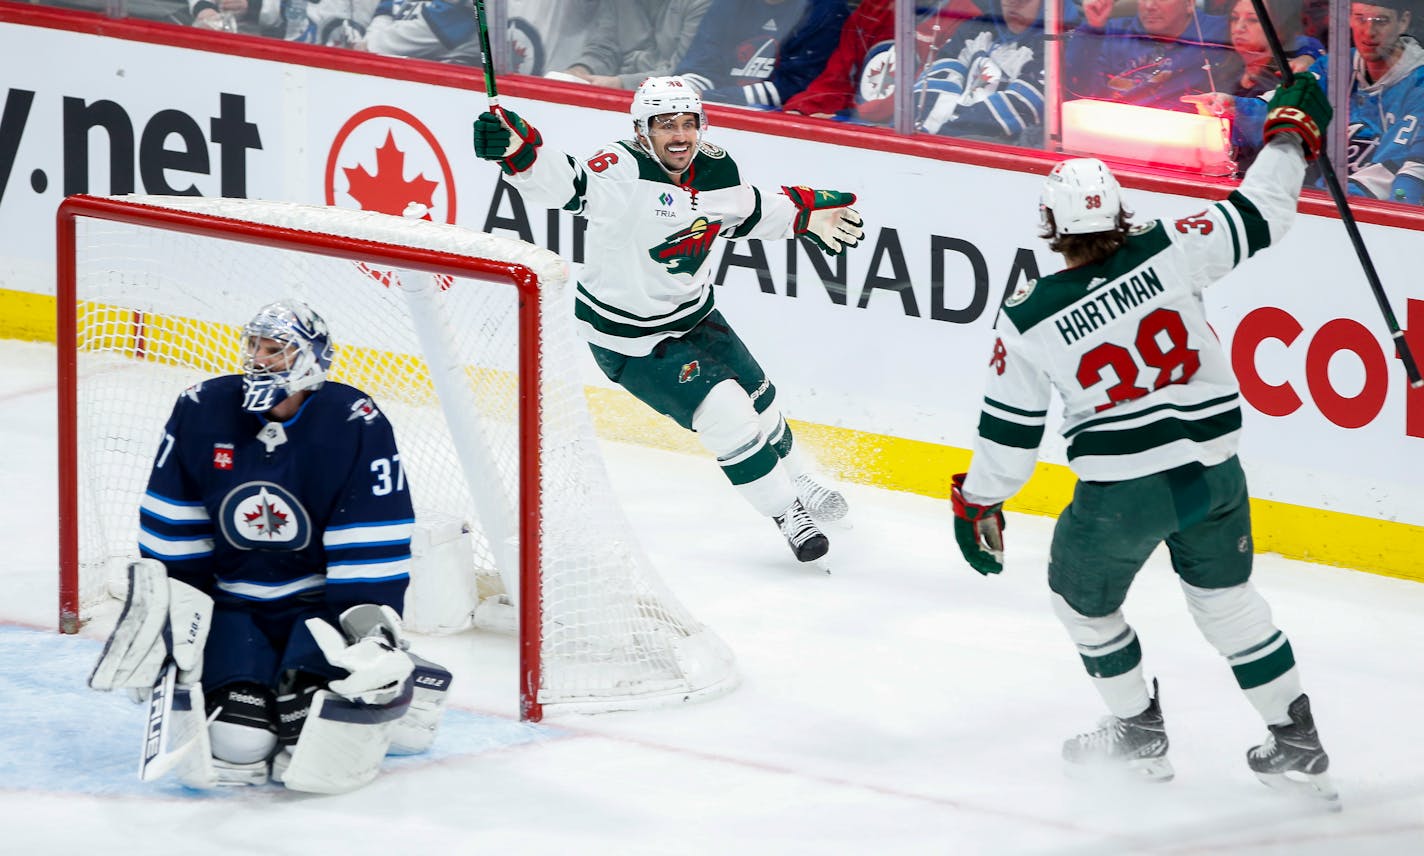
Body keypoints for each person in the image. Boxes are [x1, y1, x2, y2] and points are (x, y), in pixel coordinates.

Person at [950, 77, 1339, 804]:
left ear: (1051, 226)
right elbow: (1263, 211)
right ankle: (1295, 736)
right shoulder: (1172, 248)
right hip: (1216, 476)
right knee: (1228, 605)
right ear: (1120, 211)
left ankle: (1137, 733)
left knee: (1082, 603)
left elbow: (1010, 435)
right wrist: (1288, 136)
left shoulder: (1029, 315)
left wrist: (977, 502)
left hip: (1122, 494)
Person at [471, 77, 862, 565]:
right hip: (630, 339)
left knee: (761, 401)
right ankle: (787, 513)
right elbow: (568, 183)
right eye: (664, 125)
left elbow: (747, 211)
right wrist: (521, 155)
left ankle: (798, 477)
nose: (679, 136)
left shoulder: (716, 167)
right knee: (727, 414)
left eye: (687, 123)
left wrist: (803, 218)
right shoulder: (619, 170)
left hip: (696, 315)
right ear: (641, 131)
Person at [89, 300, 450, 793]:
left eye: (275, 350)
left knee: (311, 737)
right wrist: (173, 618)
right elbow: (173, 520)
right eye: (254, 346)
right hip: (234, 608)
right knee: (240, 745)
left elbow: (369, 534)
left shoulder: (353, 420)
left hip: (317, 613)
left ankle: (403, 681)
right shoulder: (202, 408)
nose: (259, 359)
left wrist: (370, 634)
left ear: (309, 360)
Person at [1180, 0, 1324, 173]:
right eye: (1234, 18)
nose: (1239, 27)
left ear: (1279, 28)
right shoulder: (1220, 71)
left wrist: (1310, 55)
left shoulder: (1288, 81)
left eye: (1253, 20)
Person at [781, 0, 983, 122]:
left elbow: (919, 102)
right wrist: (803, 110)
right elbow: (837, 77)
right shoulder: (874, 7)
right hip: (850, 124)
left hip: (898, 136)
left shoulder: (965, 16)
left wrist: (847, 118)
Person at [913, 0, 1081, 146]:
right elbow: (935, 82)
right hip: (944, 139)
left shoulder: (1059, 43)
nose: (1013, 5)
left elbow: (1021, 106)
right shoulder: (976, 28)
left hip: (995, 154)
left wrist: (946, 139)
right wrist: (922, 134)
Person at [1307, 0, 1424, 202]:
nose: (1369, 31)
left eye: (1381, 21)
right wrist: (1235, 105)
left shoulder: (1419, 84)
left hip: (1374, 217)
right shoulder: (1332, 68)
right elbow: (1277, 109)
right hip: (1326, 205)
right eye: (1360, 18)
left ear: (1403, 21)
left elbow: (1412, 175)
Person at [674, 0, 851, 109]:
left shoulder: (825, 10)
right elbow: (701, 64)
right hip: (711, 113)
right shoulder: (728, 4)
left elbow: (794, 88)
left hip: (778, 132)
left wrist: (711, 97)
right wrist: (680, 93)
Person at [1065, 0, 1233, 111]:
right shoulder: (1113, 32)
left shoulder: (1221, 31)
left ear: (1189, 3)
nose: (1149, 5)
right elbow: (1075, 89)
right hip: (1113, 134)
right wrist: (1092, 28)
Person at [545, 0, 711, 89]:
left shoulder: (702, 3)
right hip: (613, 97)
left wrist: (621, 83)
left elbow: (686, 75)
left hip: (669, 106)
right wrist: (580, 71)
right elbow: (604, 48)